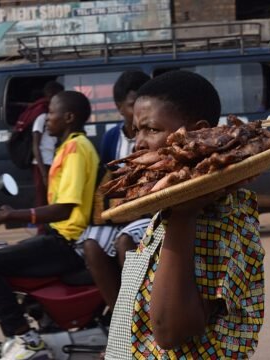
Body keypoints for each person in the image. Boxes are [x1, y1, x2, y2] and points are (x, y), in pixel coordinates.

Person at [104, 71, 265, 359]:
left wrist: (182, 218)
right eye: (135, 130)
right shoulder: (176, 207)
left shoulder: (214, 216)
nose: (138, 143)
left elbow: (169, 331)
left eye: (151, 129)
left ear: (198, 134)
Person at [0, 90, 99, 360]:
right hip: (59, 237)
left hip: (67, 242)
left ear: (68, 117)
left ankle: (25, 338)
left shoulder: (76, 149)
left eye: (51, 113)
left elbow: (64, 208)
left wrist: (9, 217)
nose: (47, 119)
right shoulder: (68, 146)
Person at [75, 70, 151, 311]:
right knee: (90, 244)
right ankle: (119, 317)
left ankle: (140, 317)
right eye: (131, 106)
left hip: (149, 212)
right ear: (120, 108)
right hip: (121, 213)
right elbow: (108, 181)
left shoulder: (154, 134)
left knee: (124, 242)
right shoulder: (110, 138)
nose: (138, 111)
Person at [31, 81, 64, 235]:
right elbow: (35, 145)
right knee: (41, 197)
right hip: (41, 163)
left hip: (53, 161)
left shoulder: (58, 118)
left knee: (53, 195)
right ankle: (41, 228)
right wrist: (43, 172)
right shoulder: (42, 118)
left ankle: (50, 226)